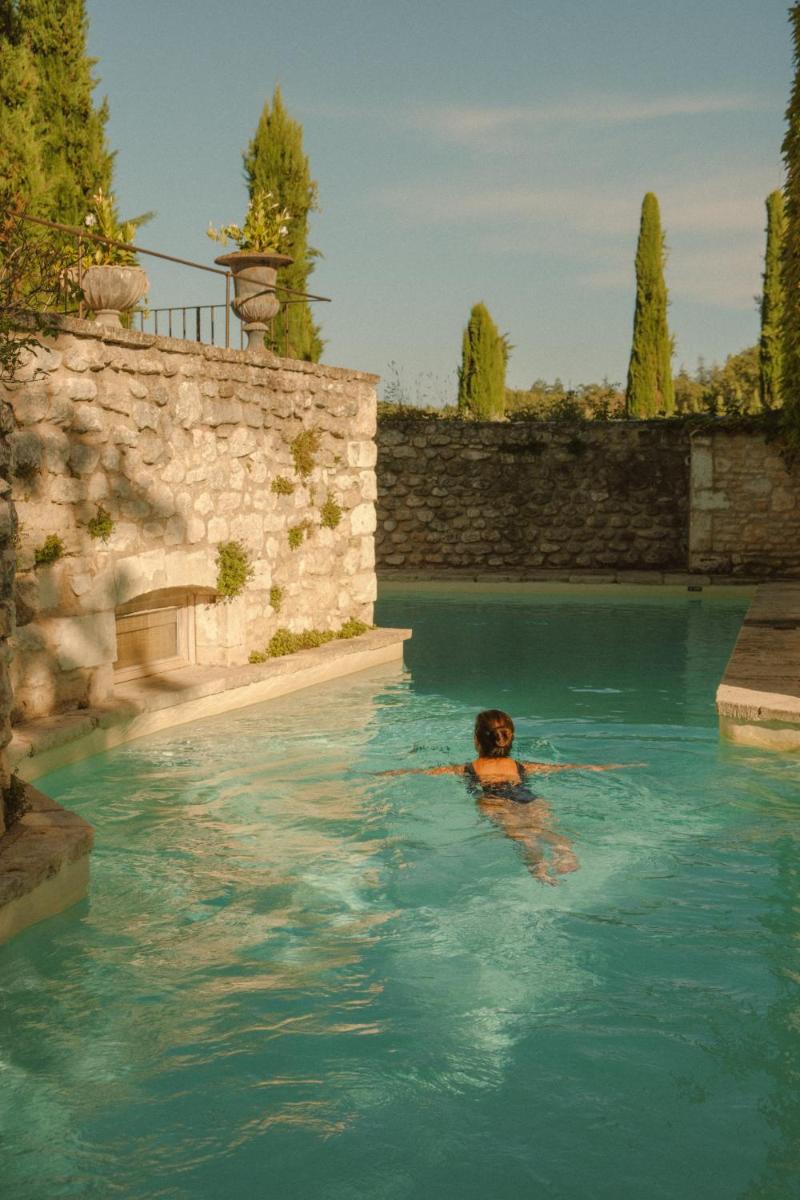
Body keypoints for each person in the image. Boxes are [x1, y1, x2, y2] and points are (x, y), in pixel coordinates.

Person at [383, 709, 630, 886]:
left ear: (476, 740)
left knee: (524, 838)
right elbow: (567, 768)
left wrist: (385, 773)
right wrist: (609, 766)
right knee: (547, 830)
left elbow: (422, 772)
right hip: (528, 798)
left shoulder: (467, 768)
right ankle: (564, 851)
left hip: (494, 801)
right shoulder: (521, 765)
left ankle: (540, 871)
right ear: (509, 738)